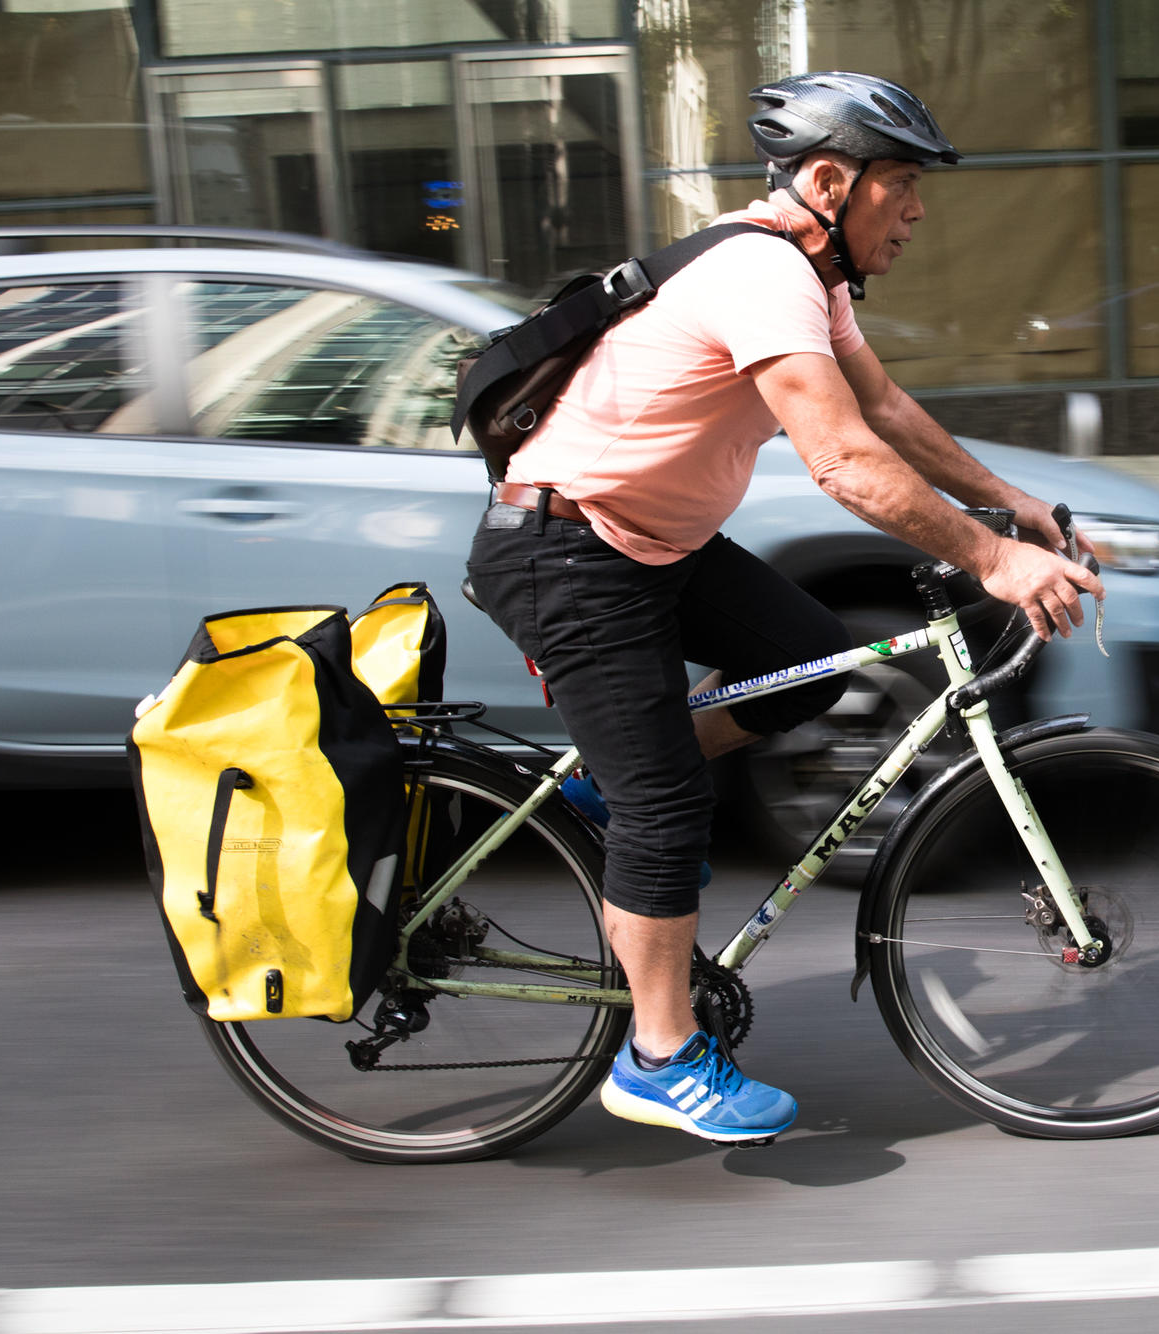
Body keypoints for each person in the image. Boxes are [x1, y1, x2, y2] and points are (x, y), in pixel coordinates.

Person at [464, 71, 1102, 1146]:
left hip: (650, 545)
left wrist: (1012, 502)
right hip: (567, 555)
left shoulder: (811, 275)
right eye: (897, 185)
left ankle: (619, 799)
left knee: (809, 655)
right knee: (669, 809)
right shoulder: (760, 275)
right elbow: (843, 460)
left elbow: (884, 408)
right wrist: (990, 558)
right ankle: (657, 1056)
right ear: (825, 181)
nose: (914, 209)